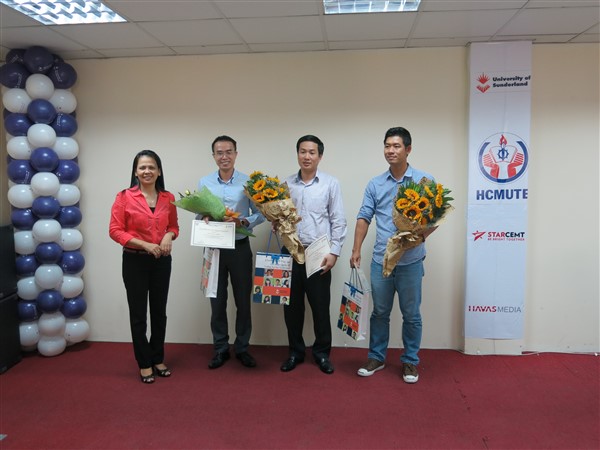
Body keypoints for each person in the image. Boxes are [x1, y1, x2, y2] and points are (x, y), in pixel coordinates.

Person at [350, 127, 436, 384]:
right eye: (387, 146)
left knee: (411, 314)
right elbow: (364, 217)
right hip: (382, 261)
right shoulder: (375, 184)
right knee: (379, 312)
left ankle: (410, 361)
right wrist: (355, 249)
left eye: (396, 146)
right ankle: (376, 357)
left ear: (408, 149)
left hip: (411, 261)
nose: (391, 150)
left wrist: (420, 237)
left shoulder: (423, 181)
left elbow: (436, 216)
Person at [109, 150, 179, 384]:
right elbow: (115, 231)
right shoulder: (124, 197)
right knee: (138, 314)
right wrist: (145, 244)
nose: (147, 171)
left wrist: (168, 235)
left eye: (151, 167)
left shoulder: (168, 197)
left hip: (162, 261)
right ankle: (144, 362)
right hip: (134, 261)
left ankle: (158, 358)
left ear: (159, 171)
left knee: (159, 312)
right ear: (135, 172)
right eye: (142, 167)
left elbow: (174, 227)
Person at [280, 135, 347, 375]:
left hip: (318, 253)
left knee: (320, 307)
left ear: (320, 156)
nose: (306, 156)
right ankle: (295, 352)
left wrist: (334, 252)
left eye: (312, 152)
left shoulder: (330, 183)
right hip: (290, 252)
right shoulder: (286, 184)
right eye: (302, 151)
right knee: (291, 308)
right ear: (297, 153)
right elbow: (280, 217)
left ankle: (322, 354)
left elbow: (338, 220)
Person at [199, 135, 265, 369]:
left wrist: (243, 221)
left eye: (228, 152)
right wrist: (204, 217)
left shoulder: (248, 183)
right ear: (214, 156)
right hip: (214, 248)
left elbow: (260, 213)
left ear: (236, 154)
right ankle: (220, 348)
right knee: (216, 301)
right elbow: (199, 213)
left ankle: (242, 348)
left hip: (239, 247)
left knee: (242, 301)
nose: (224, 156)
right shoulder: (205, 182)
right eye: (219, 152)